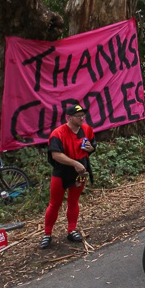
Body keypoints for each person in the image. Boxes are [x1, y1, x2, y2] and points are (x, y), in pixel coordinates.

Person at [41, 104, 96, 249]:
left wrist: (91, 148)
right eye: (78, 116)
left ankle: (72, 230)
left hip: (81, 172)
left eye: (83, 115)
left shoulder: (87, 130)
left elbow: (92, 145)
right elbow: (55, 155)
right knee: (55, 203)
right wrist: (74, 163)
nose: (81, 118)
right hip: (62, 173)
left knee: (74, 201)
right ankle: (47, 234)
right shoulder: (58, 133)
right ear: (69, 117)